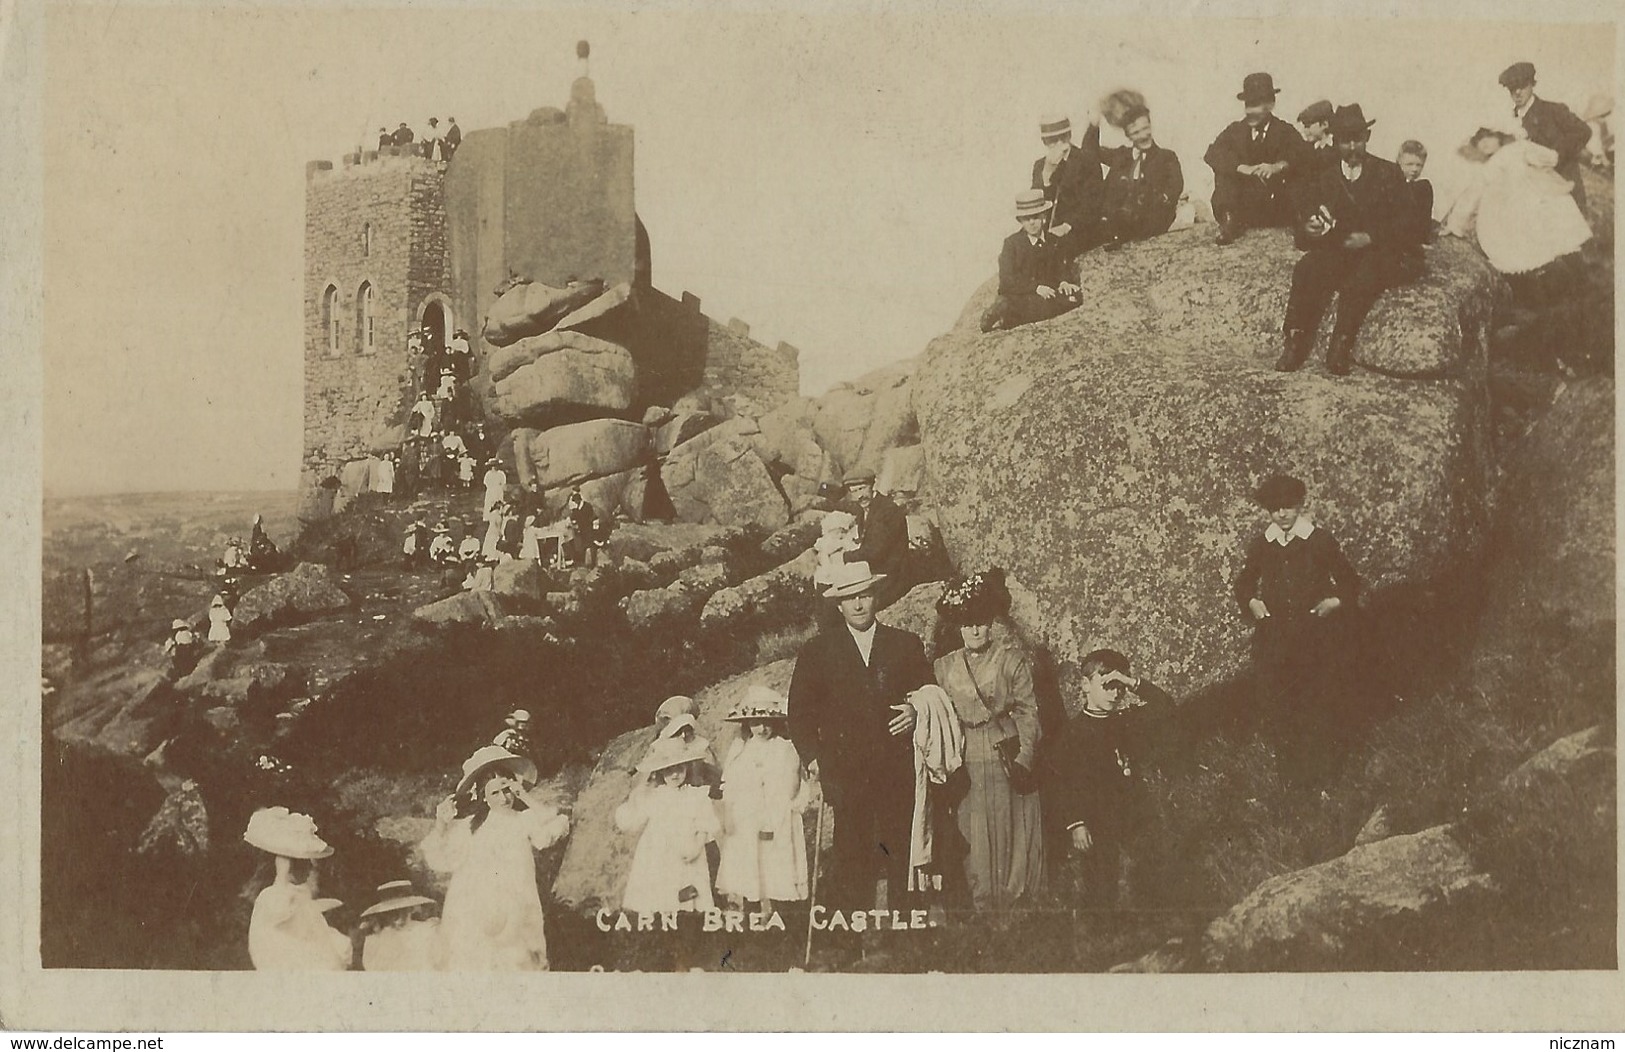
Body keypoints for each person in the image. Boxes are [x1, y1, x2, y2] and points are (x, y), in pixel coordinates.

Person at [787, 560, 934, 912]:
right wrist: (814, 758)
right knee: (851, 850)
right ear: (838, 604)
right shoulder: (817, 651)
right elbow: (799, 714)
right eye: (850, 597)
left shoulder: (905, 645)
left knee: (900, 845)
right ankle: (850, 934)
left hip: (896, 768)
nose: (858, 604)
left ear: (876, 596)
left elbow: (930, 692)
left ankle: (902, 933)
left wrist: (917, 712)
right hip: (845, 772)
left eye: (864, 595)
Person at [1233, 474, 1361, 791]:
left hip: (1316, 639)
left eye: (1288, 507)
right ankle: (1291, 783)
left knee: (1318, 706)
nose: (1282, 515)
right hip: (1276, 643)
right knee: (1282, 709)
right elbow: (1245, 583)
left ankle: (1325, 780)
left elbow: (1349, 580)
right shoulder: (1264, 544)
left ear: (1300, 505)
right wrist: (1253, 603)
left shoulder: (1319, 540)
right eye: (1275, 509)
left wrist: (1334, 601)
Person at [932, 569, 1045, 912]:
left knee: (1014, 827)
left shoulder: (1011, 660)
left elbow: (1028, 711)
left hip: (1006, 751)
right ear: (957, 626)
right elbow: (936, 714)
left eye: (980, 621)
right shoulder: (943, 666)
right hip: (966, 756)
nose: (974, 630)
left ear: (991, 622)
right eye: (966, 623)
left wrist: (1025, 757)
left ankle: (1017, 906)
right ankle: (982, 905)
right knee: (973, 831)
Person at [1278, 104, 1407, 375]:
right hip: (1337, 247)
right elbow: (1309, 217)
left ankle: (1341, 344)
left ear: (1367, 138)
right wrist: (1310, 229)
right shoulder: (1325, 176)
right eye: (1345, 141)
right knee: (1306, 269)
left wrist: (1371, 237)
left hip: (1375, 250)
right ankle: (1294, 340)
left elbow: (1405, 221)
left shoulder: (1388, 173)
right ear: (1336, 141)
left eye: (1356, 139)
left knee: (1362, 279)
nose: (1351, 147)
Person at [1042, 650, 1173, 907]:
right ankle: (1104, 930)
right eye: (1107, 686)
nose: (1115, 694)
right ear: (1085, 685)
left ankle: (1145, 921)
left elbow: (1165, 707)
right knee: (1101, 881)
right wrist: (1076, 823)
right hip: (1095, 818)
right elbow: (1061, 783)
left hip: (1131, 812)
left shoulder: (1126, 720)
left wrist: (1130, 682)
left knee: (1144, 877)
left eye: (1119, 688)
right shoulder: (1072, 733)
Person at [420, 745, 570, 970]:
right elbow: (440, 859)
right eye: (495, 793)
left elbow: (553, 830)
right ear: (483, 796)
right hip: (475, 908)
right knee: (476, 963)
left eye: (507, 789)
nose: (503, 798)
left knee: (517, 963)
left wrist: (525, 796)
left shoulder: (523, 819)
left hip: (517, 907)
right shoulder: (470, 827)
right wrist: (441, 825)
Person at [1441, 127, 1593, 279]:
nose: (1485, 142)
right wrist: (1456, 222)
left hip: (1531, 200)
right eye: (1479, 139)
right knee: (1531, 249)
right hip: (1510, 211)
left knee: (1556, 234)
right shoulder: (1489, 166)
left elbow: (1550, 157)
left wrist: (1534, 159)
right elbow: (1472, 195)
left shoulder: (1517, 147)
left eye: (1489, 136)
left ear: (1500, 135)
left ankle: (1581, 280)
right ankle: (1548, 288)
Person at [716, 685, 812, 915]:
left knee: (779, 868)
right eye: (756, 721)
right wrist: (731, 812)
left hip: (778, 816)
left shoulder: (785, 748)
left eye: (768, 721)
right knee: (751, 870)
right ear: (747, 723)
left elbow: (795, 782)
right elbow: (730, 784)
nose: (762, 728)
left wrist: (791, 805)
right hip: (748, 818)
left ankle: (785, 917)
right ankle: (752, 917)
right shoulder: (741, 749)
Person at [614, 735, 722, 916]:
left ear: (687, 767)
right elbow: (632, 822)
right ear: (660, 771)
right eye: (669, 769)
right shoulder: (653, 796)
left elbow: (705, 825)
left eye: (679, 768)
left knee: (688, 894)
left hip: (688, 850)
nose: (675, 774)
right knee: (660, 896)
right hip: (657, 854)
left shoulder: (696, 795)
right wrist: (634, 799)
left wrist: (695, 848)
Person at [1205, 72, 1309, 245]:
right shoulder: (1235, 130)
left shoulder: (1284, 130)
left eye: (1256, 104)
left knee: (1298, 173)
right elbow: (1213, 153)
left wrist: (1277, 166)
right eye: (1248, 105)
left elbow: (1303, 154)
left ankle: (1302, 223)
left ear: (1270, 104)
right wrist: (1240, 167)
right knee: (1224, 171)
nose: (1250, 111)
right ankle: (1229, 222)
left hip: (1277, 207)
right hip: (1244, 210)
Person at [243, 807, 352, 970]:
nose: (309, 867)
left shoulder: (299, 896)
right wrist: (282, 875)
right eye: (304, 860)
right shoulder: (272, 896)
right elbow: (274, 947)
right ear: (286, 863)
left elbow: (317, 937)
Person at [979, 190, 1081, 333]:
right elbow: (1007, 281)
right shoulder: (1012, 244)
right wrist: (1036, 288)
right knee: (1026, 303)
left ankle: (1012, 317)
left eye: (1035, 217)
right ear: (1020, 220)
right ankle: (1003, 311)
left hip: (1047, 293)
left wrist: (1064, 282)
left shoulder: (1052, 240)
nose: (1032, 222)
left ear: (1043, 216)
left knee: (1074, 297)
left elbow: (1059, 267)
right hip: (1022, 294)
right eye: (1026, 219)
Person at [1085, 104, 1184, 247]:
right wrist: (1094, 126)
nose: (1143, 136)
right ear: (1128, 135)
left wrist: (1162, 200)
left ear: (1150, 126)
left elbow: (1175, 185)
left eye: (1145, 129)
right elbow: (1090, 153)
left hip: (1150, 221)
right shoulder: (1121, 155)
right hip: (1118, 221)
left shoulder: (1166, 157)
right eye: (1136, 132)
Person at [1500, 61, 1593, 211]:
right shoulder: (1509, 120)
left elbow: (1583, 130)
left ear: (1532, 84)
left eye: (1522, 86)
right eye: (1512, 88)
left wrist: (1557, 154)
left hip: (1563, 192)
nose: (1517, 92)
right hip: (1530, 197)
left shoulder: (1553, 110)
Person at [1030, 114, 1102, 261]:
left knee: (1057, 250)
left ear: (1069, 135)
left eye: (1062, 137)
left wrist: (1067, 226)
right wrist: (1047, 174)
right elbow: (1035, 204)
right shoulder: (1040, 166)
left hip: (1080, 228)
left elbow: (1093, 202)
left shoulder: (1086, 160)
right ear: (1044, 142)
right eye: (1051, 140)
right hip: (1049, 229)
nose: (1058, 144)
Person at [841, 474, 909, 609]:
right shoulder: (865, 509)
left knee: (843, 599)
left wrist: (844, 556)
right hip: (876, 572)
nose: (859, 496)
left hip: (892, 576)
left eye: (862, 489)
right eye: (854, 491)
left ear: (873, 486)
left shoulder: (886, 510)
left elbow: (875, 552)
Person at [358, 880, 441, 971]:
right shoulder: (374, 939)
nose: (396, 915)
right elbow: (371, 969)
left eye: (401, 910)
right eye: (392, 911)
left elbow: (438, 963)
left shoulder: (428, 930)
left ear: (411, 908)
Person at [1395, 140, 1434, 282]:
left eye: (1419, 165)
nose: (1414, 169)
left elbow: (1424, 214)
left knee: (1424, 187)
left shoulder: (1421, 187)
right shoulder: (1391, 183)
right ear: (1399, 161)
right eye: (1409, 164)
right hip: (1395, 232)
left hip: (1412, 232)